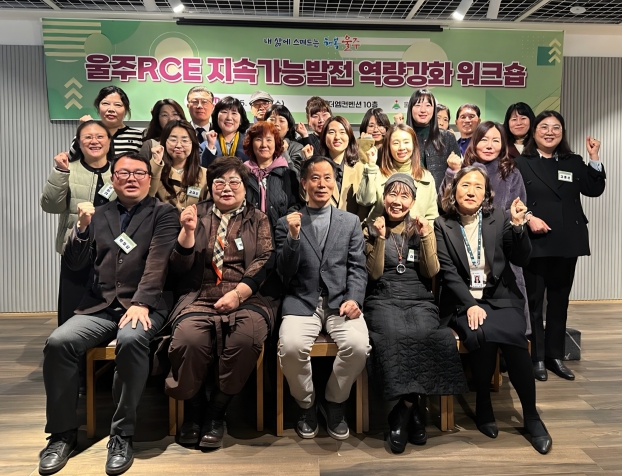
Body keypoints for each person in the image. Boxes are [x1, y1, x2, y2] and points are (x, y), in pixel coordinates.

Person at [39, 152, 179, 475]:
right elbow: (75, 263)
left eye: (139, 173)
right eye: (124, 173)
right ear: (113, 179)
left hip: (146, 305)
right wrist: (81, 228)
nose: (131, 178)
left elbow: (158, 261)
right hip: (100, 305)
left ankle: (122, 434)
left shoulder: (164, 213)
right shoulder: (99, 214)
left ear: (149, 179)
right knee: (58, 342)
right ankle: (61, 434)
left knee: (130, 340)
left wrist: (142, 302)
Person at [435, 166, 552, 455]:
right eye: (465, 185)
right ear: (454, 189)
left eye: (478, 187)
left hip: (501, 297)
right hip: (463, 300)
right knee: (481, 333)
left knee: (514, 339)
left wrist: (518, 226)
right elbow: (448, 273)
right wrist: (470, 305)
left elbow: (520, 258)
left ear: (486, 194)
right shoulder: (441, 224)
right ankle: (483, 402)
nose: (471, 191)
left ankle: (531, 416)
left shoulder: (498, 217)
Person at [164, 156, 277, 449]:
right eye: (219, 182)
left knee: (245, 338)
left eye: (234, 182)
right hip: (199, 296)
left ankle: (217, 411)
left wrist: (239, 293)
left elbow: (265, 258)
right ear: (210, 186)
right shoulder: (196, 213)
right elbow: (177, 267)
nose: (226, 188)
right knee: (188, 339)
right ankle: (193, 410)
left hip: (246, 297)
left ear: (245, 186)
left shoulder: (258, 218)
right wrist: (187, 232)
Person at [363, 174, 467, 454]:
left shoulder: (421, 227)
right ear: (384, 197)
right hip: (383, 297)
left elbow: (431, 271)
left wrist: (426, 236)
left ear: (412, 200)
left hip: (419, 298)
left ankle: (403, 410)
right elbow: (373, 274)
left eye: (404, 196)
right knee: (391, 335)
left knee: (429, 334)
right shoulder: (371, 227)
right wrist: (380, 238)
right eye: (392, 194)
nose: (397, 201)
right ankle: (414, 411)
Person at [275, 156, 370, 441]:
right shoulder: (286, 223)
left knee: (358, 346)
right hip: (301, 301)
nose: (321, 184)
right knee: (291, 348)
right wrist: (293, 238)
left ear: (335, 183)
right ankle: (306, 404)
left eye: (328, 178)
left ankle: (334, 402)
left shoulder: (350, 221)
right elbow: (283, 272)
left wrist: (354, 299)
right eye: (315, 178)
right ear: (304, 183)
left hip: (340, 301)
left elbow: (357, 267)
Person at [514, 111, 606, 381]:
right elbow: (513, 200)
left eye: (556, 128)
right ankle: (537, 357)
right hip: (536, 240)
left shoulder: (573, 161)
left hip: (567, 240)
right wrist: (529, 217)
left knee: (559, 301)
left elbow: (593, 189)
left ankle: (554, 356)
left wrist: (594, 158)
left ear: (562, 133)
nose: (550, 132)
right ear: (534, 132)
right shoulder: (522, 162)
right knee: (534, 303)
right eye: (544, 127)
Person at [439, 122, 529, 332]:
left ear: (503, 144)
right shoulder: (461, 167)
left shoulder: (511, 172)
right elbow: (444, 205)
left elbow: (517, 208)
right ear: (474, 142)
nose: (489, 145)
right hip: (465, 247)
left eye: (496, 140)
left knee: (510, 322)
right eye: (484, 140)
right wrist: (453, 172)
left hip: (501, 249)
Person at [41, 120, 115, 327]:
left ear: (109, 141)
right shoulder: (68, 169)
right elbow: (50, 206)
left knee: (109, 305)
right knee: (72, 305)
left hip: (112, 251)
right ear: (79, 143)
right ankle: (68, 345)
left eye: (100, 136)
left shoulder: (119, 171)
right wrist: (60, 172)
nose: (94, 141)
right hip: (75, 248)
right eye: (87, 137)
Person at [357, 124, 438, 224]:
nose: (402, 147)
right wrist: (371, 167)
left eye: (406, 142)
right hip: (381, 232)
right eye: (396, 143)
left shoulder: (426, 177)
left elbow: (432, 215)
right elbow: (364, 201)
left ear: (414, 145)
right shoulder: (376, 174)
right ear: (388, 147)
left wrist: (426, 232)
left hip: (415, 233)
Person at [243, 121, 300, 232]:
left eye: (269, 140)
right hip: (249, 235)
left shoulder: (288, 174)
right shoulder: (243, 173)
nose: (264, 145)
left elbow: (296, 205)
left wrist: (284, 226)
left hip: (281, 235)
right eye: (258, 139)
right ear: (251, 143)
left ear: (276, 143)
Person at [310, 116, 370, 221]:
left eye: (342, 132)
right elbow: (306, 198)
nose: (337, 137)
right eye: (331, 132)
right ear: (324, 137)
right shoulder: (315, 167)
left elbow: (366, 207)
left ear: (349, 137)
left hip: (353, 228)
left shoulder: (360, 169)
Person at [405, 89, 461, 190]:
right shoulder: (402, 136)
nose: (423, 110)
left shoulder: (448, 137)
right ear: (410, 108)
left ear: (434, 109)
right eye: (418, 105)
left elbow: (459, 173)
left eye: (428, 105)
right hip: (408, 195)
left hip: (441, 197)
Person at [148, 120, 208, 212]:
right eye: (173, 140)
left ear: (193, 143)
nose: (179, 145)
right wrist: (156, 163)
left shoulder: (204, 174)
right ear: (164, 142)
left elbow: (208, 208)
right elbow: (146, 198)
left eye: (185, 140)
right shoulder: (156, 169)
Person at [69, 86, 143, 161]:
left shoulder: (138, 136)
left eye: (118, 105)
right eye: (105, 103)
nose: (111, 109)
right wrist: (86, 128)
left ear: (126, 110)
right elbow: (71, 158)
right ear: (98, 107)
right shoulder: (86, 133)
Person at [201, 96, 250, 167]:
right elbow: (203, 168)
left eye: (234, 113)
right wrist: (210, 146)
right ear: (216, 118)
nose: (229, 118)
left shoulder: (250, 144)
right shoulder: (204, 146)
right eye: (224, 112)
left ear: (241, 120)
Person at [265, 103, 305, 177]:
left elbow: (296, 177)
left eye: (281, 121)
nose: (276, 124)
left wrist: (284, 152)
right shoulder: (258, 145)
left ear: (288, 127)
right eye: (272, 119)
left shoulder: (297, 148)